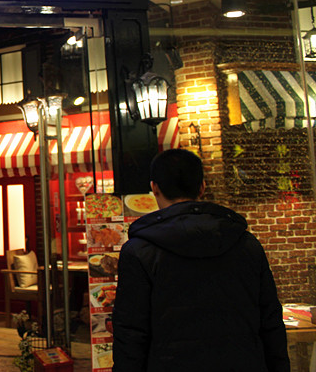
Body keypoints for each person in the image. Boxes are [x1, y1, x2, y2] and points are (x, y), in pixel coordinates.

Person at [112, 149, 290, 372]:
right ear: (202, 187)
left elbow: (130, 334)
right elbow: (271, 323)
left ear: (154, 188)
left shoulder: (139, 252)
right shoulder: (246, 244)